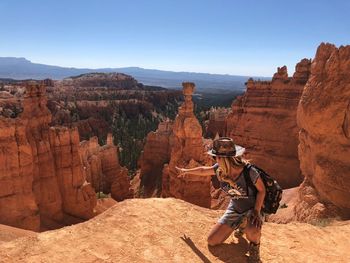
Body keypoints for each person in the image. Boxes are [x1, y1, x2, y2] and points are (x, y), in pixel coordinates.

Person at [176, 137, 266, 263]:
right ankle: (241, 223)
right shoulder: (220, 169)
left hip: (252, 209)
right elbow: (203, 170)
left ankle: (254, 248)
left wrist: (256, 211)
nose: (214, 159)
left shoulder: (249, 172)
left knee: (252, 232)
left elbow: (262, 191)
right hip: (235, 208)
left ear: (224, 159)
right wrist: (186, 171)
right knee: (212, 241)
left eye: (216, 157)